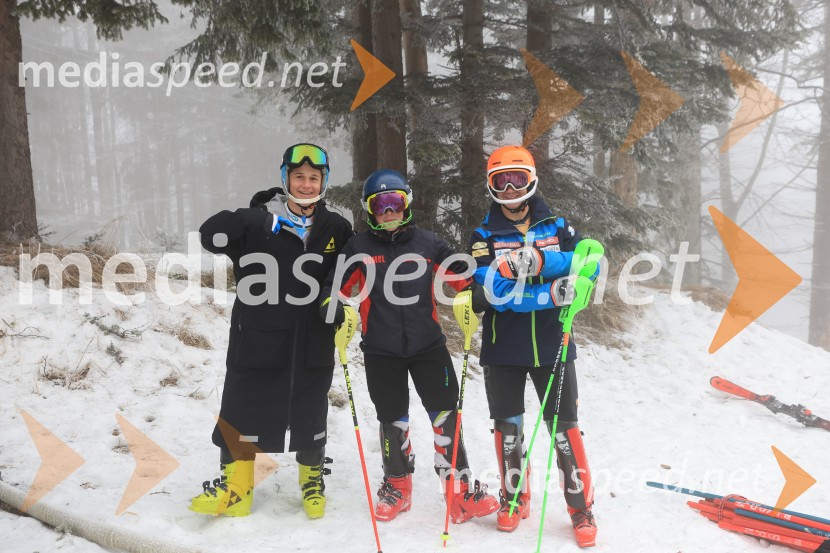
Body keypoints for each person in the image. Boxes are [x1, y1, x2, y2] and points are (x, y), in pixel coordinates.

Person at [320, 168, 498, 524]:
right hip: (381, 350)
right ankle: (398, 486)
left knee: (446, 415)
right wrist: (332, 305)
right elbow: (333, 286)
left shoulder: (428, 244)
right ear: (370, 209)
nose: (389, 211)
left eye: (395, 202)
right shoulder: (359, 247)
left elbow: (461, 273)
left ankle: (459, 492)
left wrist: (476, 289)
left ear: (407, 204)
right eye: (380, 204)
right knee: (391, 419)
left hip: (428, 346)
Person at [191, 143, 353, 519]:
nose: (307, 184)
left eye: (314, 178)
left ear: (323, 181)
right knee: (240, 405)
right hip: (257, 335)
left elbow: (352, 269)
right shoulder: (259, 222)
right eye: (299, 177)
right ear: (286, 178)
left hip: (312, 336)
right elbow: (209, 235)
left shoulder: (336, 227)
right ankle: (235, 488)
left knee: (311, 406)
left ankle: (312, 481)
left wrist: (339, 300)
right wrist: (254, 220)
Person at [467, 145, 597, 546]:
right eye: (500, 181)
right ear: (491, 187)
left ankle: (580, 508)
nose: (509, 189)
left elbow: (587, 266)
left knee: (564, 430)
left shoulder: (558, 226)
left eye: (516, 179)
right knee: (509, 430)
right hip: (502, 346)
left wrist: (540, 264)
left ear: (531, 180)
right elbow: (487, 292)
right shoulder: (482, 234)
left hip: (553, 340)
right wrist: (552, 293)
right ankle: (513, 498)